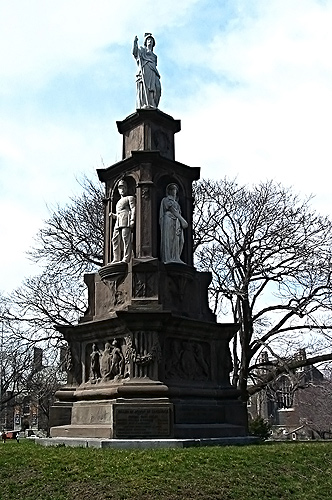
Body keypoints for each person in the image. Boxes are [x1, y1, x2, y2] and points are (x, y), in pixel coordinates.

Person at [159, 183, 188, 264]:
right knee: (170, 239)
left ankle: (176, 257)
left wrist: (180, 221)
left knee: (179, 240)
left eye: (175, 189)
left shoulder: (177, 203)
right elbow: (172, 210)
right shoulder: (166, 200)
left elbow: (178, 212)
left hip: (177, 222)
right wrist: (182, 220)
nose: (174, 191)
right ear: (169, 191)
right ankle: (168, 258)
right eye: (172, 189)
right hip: (169, 220)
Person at [110, 179, 136, 263]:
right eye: (120, 188)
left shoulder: (130, 198)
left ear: (126, 188)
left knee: (126, 239)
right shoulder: (118, 202)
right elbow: (119, 213)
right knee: (115, 239)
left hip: (126, 219)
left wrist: (132, 220)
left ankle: (126, 257)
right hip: (118, 221)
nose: (122, 189)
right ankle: (116, 258)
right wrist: (114, 215)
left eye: (124, 187)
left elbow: (133, 209)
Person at [133, 33, 161, 108]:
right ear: (145, 41)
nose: (150, 41)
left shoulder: (154, 56)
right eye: (148, 39)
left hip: (152, 72)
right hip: (144, 70)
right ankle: (145, 104)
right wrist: (135, 43)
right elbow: (135, 53)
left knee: (157, 88)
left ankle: (153, 104)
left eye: (151, 40)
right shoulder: (142, 51)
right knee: (144, 88)